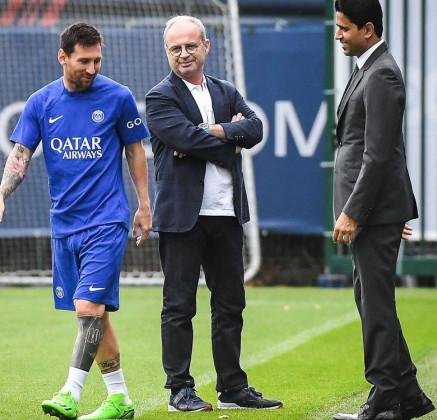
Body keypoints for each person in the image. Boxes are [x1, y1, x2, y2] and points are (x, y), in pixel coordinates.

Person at [0, 22, 151, 420]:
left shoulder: (118, 96)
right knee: (96, 312)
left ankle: (70, 392)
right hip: (64, 225)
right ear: (63, 57)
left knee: (87, 305)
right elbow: (21, 155)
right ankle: (120, 399)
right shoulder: (41, 102)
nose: (92, 68)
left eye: (97, 60)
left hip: (107, 220)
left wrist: (144, 204)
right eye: (83, 61)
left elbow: (135, 151)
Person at [145, 15, 282, 413]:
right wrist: (230, 139)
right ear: (167, 52)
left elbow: (254, 129)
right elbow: (182, 136)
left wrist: (216, 132)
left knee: (230, 305)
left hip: (226, 215)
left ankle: (232, 389)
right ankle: (179, 391)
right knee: (179, 306)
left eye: (190, 45)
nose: (184, 54)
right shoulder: (160, 97)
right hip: (182, 217)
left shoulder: (226, 90)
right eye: (175, 48)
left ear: (206, 46)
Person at [330, 1, 434, 420]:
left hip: (371, 212)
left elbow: (377, 155)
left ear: (368, 29)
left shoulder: (382, 73)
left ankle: (385, 393)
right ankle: (407, 394)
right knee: (371, 299)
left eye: (344, 28)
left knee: (374, 303)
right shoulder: (369, 69)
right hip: (376, 210)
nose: (338, 34)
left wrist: (358, 212)